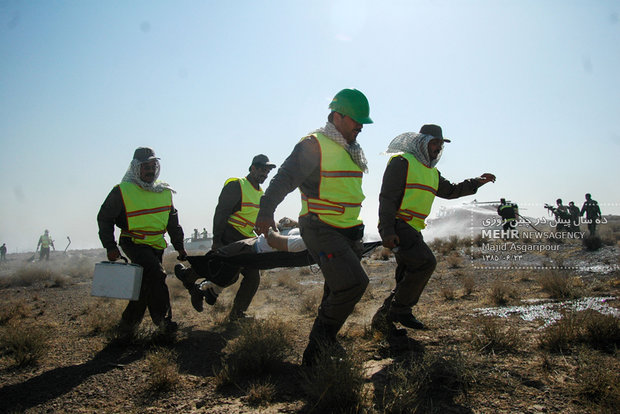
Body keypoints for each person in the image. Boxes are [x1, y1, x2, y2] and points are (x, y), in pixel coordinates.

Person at [254, 88, 373, 366]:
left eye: (363, 122)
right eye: (356, 120)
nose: (360, 127)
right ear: (338, 116)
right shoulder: (314, 144)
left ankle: (326, 343)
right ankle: (317, 348)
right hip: (321, 227)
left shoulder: (352, 149)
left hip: (349, 229)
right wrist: (265, 210)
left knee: (335, 289)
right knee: (354, 284)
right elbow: (284, 178)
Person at [371, 124, 496, 335]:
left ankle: (383, 321)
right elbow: (387, 197)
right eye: (434, 142)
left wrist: (478, 182)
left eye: (440, 143)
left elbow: (452, 191)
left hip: (413, 228)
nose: (438, 147)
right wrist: (387, 230)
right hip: (399, 226)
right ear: (421, 141)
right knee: (426, 262)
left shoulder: (432, 172)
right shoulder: (402, 162)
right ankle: (399, 311)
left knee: (407, 276)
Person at [97, 147, 187, 336]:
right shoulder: (122, 190)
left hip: (156, 244)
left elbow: (173, 222)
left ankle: (127, 326)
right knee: (156, 275)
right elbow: (104, 218)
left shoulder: (164, 190)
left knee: (144, 285)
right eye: (145, 166)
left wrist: (179, 246)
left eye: (153, 165)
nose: (150, 170)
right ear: (135, 168)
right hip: (133, 242)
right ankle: (164, 323)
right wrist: (110, 247)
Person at [177, 154, 276, 320]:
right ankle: (194, 282)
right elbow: (221, 213)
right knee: (227, 274)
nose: (264, 174)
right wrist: (217, 240)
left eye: (267, 172)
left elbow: (255, 220)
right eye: (262, 170)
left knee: (251, 277)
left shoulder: (260, 193)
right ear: (252, 168)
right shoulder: (236, 185)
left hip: (247, 239)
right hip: (230, 235)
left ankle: (235, 314)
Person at [175, 228, 307, 311]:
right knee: (220, 266)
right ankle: (196, 283)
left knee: (220, 265)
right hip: (249, 247)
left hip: (251, 251)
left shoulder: (306, 241)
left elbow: (275, 241)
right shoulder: (308, 233)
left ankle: (200, 286)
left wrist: (272, 230)